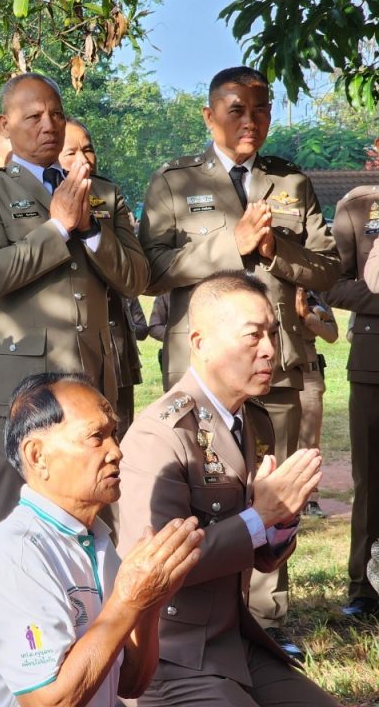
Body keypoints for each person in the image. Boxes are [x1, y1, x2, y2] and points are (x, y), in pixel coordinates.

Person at [139, 66, 338, 651]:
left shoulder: (291, 182)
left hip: (279, 366)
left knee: (275, 487)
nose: (251, 120)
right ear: (209, 116)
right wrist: (232, 244)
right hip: (203, 373)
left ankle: (267, 623)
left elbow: (328, 268)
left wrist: (276, 250)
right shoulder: (175, 183)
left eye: (261, 109)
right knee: (208, 487)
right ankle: (200, 612)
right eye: (236, 109)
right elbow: (150, 270)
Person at [118, 271, 338, 706]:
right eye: (253, 336)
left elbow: (258, 552)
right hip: (174, 654)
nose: (270, 349)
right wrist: (261, 515)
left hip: (233, 640)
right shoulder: (160, 436)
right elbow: (160, 569)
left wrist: (281, 519)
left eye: (272, 333)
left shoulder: (250, 418)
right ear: (200, 343)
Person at [0, 72, 148, 532]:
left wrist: (91, 230)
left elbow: (137, 278)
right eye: (34, 116)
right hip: (19, 385)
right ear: (5, 125)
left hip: (91, 375)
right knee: (11, 514)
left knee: (98, 507)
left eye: (57, 114)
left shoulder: (101, 193)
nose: (49, 125)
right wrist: (57, 227)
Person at [0, 372, 204, 707]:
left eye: (113, 434)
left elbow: (130, 684)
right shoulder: (15, 555)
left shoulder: (95, 540)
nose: (116, 451)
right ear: (38, 456)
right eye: (96, 437)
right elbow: (50, 703)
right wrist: (128, 601)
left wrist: (149, 604)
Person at [58, 119, 147, 437]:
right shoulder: (34, 196)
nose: (84, 160)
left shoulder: (108, 194)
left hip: (112, 345)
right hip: (58, 352)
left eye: (88, 149)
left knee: (116, 443)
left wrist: (91, 230)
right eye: (71, 152)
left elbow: (136, 276)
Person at [327, 183, 379, 619]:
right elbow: (333, 284)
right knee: (371, 480)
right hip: (373, 364)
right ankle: (365, 587)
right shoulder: (359, 207)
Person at [294, 287, 337, 518]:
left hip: (308, 376)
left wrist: (307, 315)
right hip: (274, 375)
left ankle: (309, 498)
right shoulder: (265, 292)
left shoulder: (314, 294)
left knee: (309, 441)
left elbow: (332, 334)